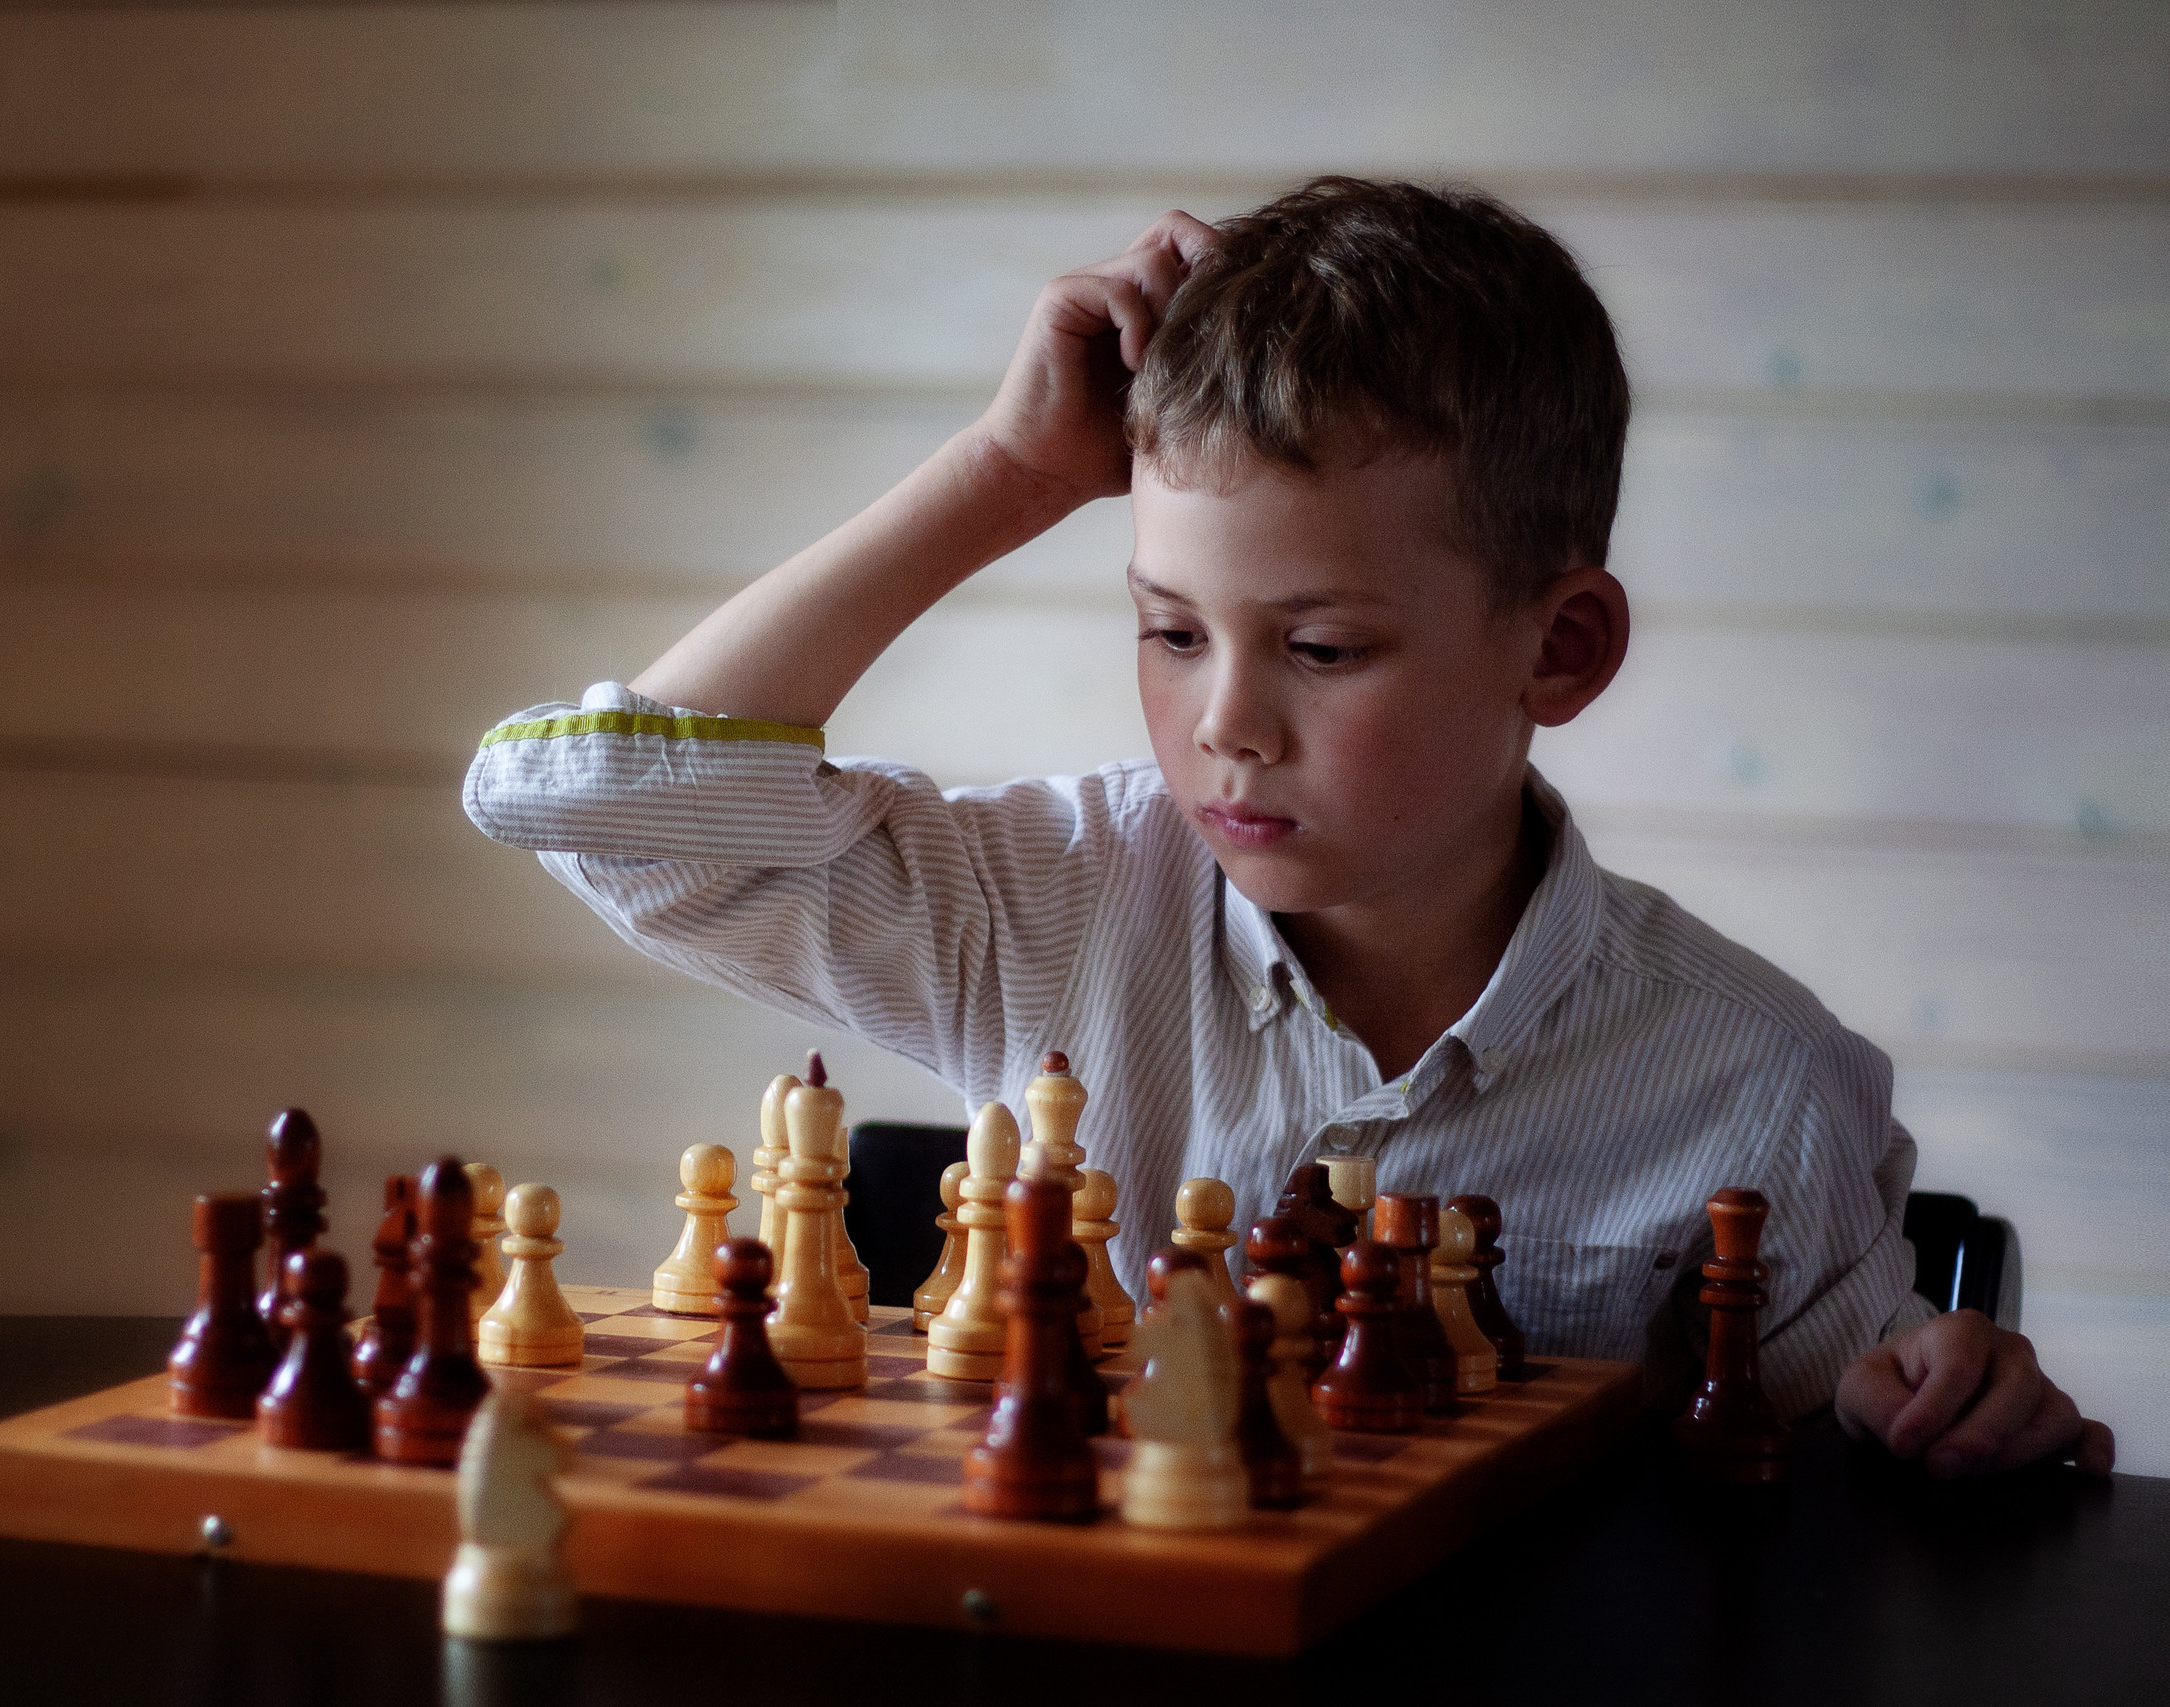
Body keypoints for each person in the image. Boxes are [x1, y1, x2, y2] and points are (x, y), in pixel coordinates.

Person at [463, 177, 2109, 1477]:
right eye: (1169, 633)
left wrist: (1955, 1410)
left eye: (1320, 649)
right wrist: (1003, 477)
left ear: (1561, 650)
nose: (1225, 724)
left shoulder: (1754, 1082)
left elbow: (1862, 1456)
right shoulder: (1047, 910)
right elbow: (604, 814)